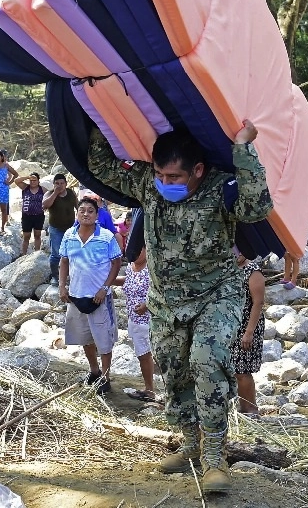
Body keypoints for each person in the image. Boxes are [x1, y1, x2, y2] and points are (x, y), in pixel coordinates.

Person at [88, 119, 272, 494]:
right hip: (167, 302)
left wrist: (243, 148)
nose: (166, 183)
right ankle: (190, 446)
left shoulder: (221, 188)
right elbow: (102, 167)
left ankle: (215, 458)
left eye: (175, 176)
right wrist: (94, 115)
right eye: (160, 174)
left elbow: (257, 207)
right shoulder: (146, 185)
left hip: (216, 296)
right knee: (175, 372)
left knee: (209, 362)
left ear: (198, 170)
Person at [58, 196, 123, 396]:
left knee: (103, 340)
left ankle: (105, 377)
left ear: (97, 215)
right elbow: (64, 261)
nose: (86, 214)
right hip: (76, 297)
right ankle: (94, 372)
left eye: (90, 211)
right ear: (77, 213)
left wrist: (105, 287)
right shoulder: (69, 235)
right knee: (85, 337)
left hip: (99, 298)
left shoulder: (106, 237)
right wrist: (62, 286)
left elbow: (116, 262)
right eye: (82, 210)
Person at [110, 245, 157, 402]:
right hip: (134, 319)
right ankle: (149, 390)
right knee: (143, 356)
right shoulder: (130, 267)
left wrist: (146, 305)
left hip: (151, 321)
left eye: (139, 249)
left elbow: (161, 290)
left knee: (152, 356)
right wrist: (109, 280)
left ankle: (153, 390)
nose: (134, 253)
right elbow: (128, 281)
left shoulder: (152, 267)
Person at [230, 254, 266, 416]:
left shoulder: (253, 271)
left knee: (242, 370)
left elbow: (258, 302)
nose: (235, 255)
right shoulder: (230, 269)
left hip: (248, 325)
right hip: (233, 325)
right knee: (234, 368)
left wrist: (249, 332)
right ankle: (242, 406)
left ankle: (250, 408)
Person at [42, 173, 77, 283]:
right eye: (57, 183)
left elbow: (78, 205)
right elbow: (45, 205)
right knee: (56, 254)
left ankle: (68, 276)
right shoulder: (50, 193)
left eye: (62, 183)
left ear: (66, 184)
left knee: (71, 253)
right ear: (53, 184)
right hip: (56, 229)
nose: (60, 185)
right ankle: (55, 277)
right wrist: (55, 193)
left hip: (71, 228)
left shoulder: (71, 193)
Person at [14, 171, 47, 255]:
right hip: (26, 216)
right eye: (31, 180)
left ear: (38, 181)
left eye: (35, 180)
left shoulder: (42, 189)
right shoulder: (25, 187)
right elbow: (16, 181)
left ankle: (36, 253)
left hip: (39, 215)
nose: (33, 182)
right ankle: (23, 254)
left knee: (37, 235)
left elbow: (50, 197)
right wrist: (27, 177)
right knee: (26, 236)